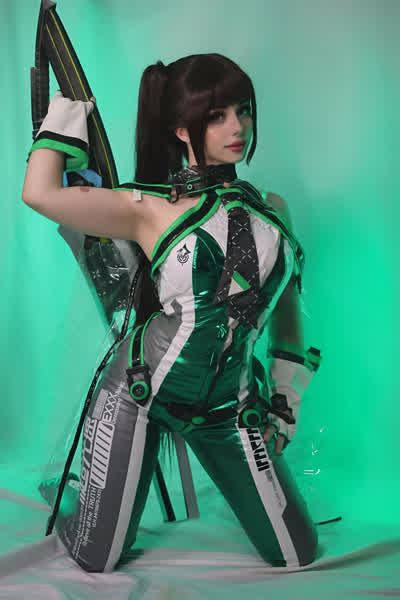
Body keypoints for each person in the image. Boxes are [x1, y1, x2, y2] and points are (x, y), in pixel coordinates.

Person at [22, 53, 322, 573]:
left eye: (244, 110)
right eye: (217, 116)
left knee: (296, 553)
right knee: (98, 557)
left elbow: (288, 312)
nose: (237, 127)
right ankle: (74, 493)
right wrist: (62, 121)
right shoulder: (148, 207)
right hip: (140, 392)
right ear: (182, 129)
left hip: (229, 405)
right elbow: (39, 193)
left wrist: (284, 397)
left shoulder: (273, 209)